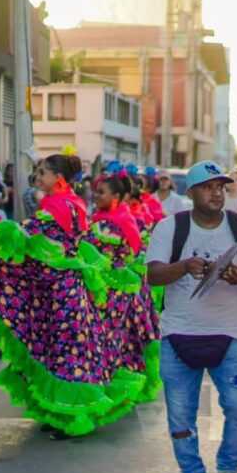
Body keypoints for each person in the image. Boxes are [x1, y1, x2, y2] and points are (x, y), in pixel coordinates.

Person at [0, 153, 154, 439]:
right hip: (56, 290)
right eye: (38, 172)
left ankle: (73, 418)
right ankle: (60, 412)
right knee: (57, 353)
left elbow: (28, 236)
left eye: (43, 173)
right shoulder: (65, 205)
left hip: (65, 293)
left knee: (68, 355)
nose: (38, 177)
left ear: (58, 179)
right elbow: (35, 243)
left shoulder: (60, 208)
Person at [146, 161, 237, 473]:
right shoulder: (170, 228)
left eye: (221, 187)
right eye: (208, 186)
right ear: (192, 193)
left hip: (229, 337)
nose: (217, 192)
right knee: (181, 417)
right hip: (178, 336)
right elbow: (153, 276)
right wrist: (184, 266)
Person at [86, 172, 161, 406]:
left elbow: (94, 252)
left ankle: (113, 390)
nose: (96, 196)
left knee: (110, 341)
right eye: (96, 191)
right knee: (122, 341)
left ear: (117, 196)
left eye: (101, 192)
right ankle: (120, 388)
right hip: (117, 289)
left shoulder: (113, 223)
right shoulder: (112, 217)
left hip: (115, 292)